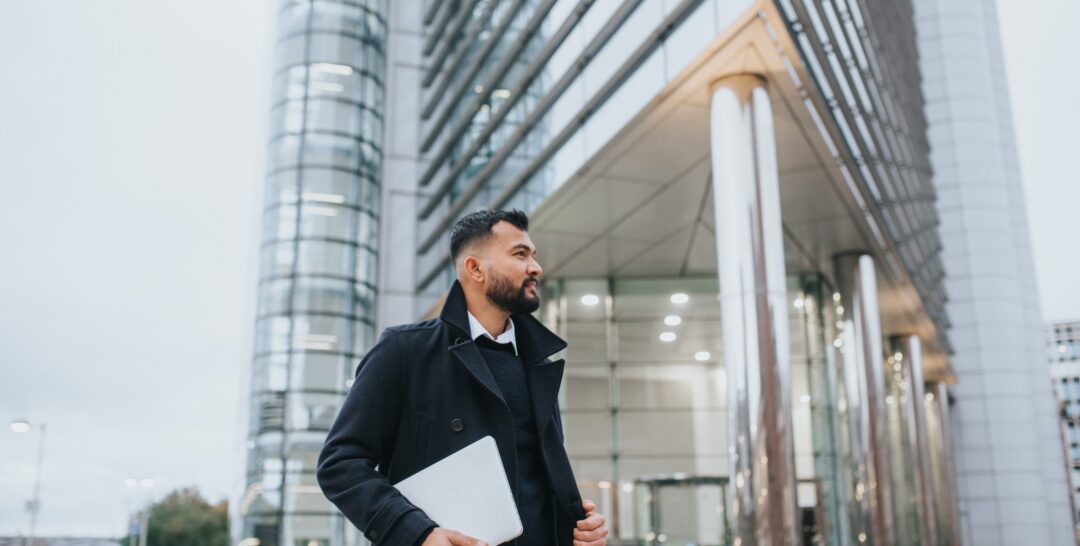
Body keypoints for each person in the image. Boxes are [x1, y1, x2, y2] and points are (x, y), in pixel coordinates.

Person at [317, 209, 609, 546]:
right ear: (474, 268)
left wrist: (579, 529)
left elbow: (537, 485)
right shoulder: (404, 351)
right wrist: (418, 533)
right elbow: (341, 464)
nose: (536, 267)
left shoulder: (538, 362)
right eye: (520, 254)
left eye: (533, 255)